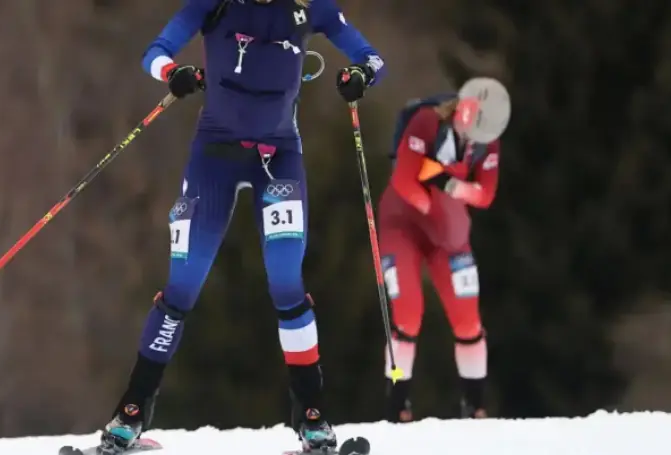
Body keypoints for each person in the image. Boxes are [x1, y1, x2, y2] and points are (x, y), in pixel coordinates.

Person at [98, 1, 385, 453]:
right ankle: (131, 412)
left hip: (279, 157)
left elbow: (372, 58)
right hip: (215, 155)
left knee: (286, 280)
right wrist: (172, 72)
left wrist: (360, 77)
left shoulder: (311, 7)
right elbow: (155, 51)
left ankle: (313, 418)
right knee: (183, 284)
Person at [377, 78, 510, 422]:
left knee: (468, 321)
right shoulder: (427, 122)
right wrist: (435, 202)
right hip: (402, 226)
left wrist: (449, 187)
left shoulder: (487, 145)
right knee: (407, 316)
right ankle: (397, 404)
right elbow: (404, 181)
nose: (474, 141)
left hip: (448, 235)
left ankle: (474, 405)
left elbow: (485, 194)